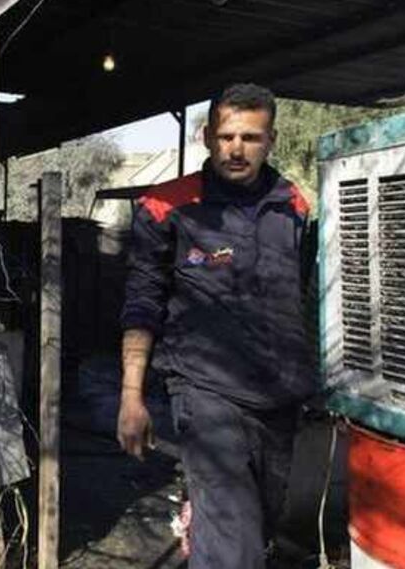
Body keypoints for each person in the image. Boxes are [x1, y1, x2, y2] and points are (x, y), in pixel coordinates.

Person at [117, 83, 316, 568]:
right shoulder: (167, 208)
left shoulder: (294, 207)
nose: (236, 148)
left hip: (279, 398)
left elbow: (308, 297)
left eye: (250, 137)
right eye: (226, 135)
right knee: (235, 548)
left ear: (270, 139)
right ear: (207, 136)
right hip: (206, 394)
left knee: (258, 531)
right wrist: (131, 395)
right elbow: (142, 304)